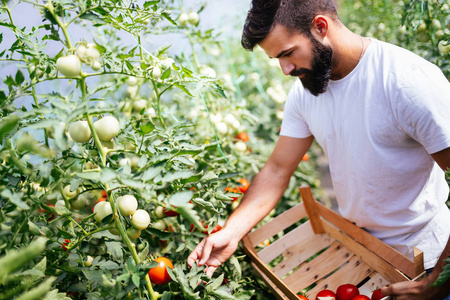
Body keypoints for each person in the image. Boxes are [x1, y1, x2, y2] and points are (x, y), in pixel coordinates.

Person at [187, 0, 450, 298]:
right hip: (361, 252)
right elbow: (276, 170)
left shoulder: (406, 83)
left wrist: (437, 282)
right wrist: (231, 233)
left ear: (320, 27)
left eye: (287, 53)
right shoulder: (306, 92)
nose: (285, 69)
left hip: (427, 259)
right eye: (276, 59)